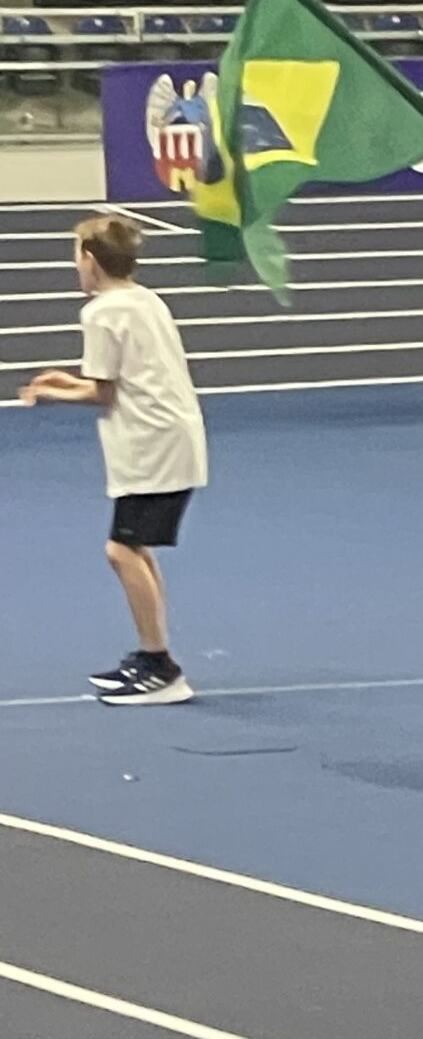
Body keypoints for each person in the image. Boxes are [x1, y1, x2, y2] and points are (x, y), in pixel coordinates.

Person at [20, 212, 207, 703]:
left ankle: (161, 667)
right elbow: (123, 378)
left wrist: (53, 393)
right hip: (173, 437)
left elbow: (103, 393)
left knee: (121, 551)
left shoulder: (101, 312)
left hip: (153, 445)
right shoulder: (145, 300)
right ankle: (153, 657)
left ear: (90, 260)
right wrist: (67, 381)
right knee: (135, 547)